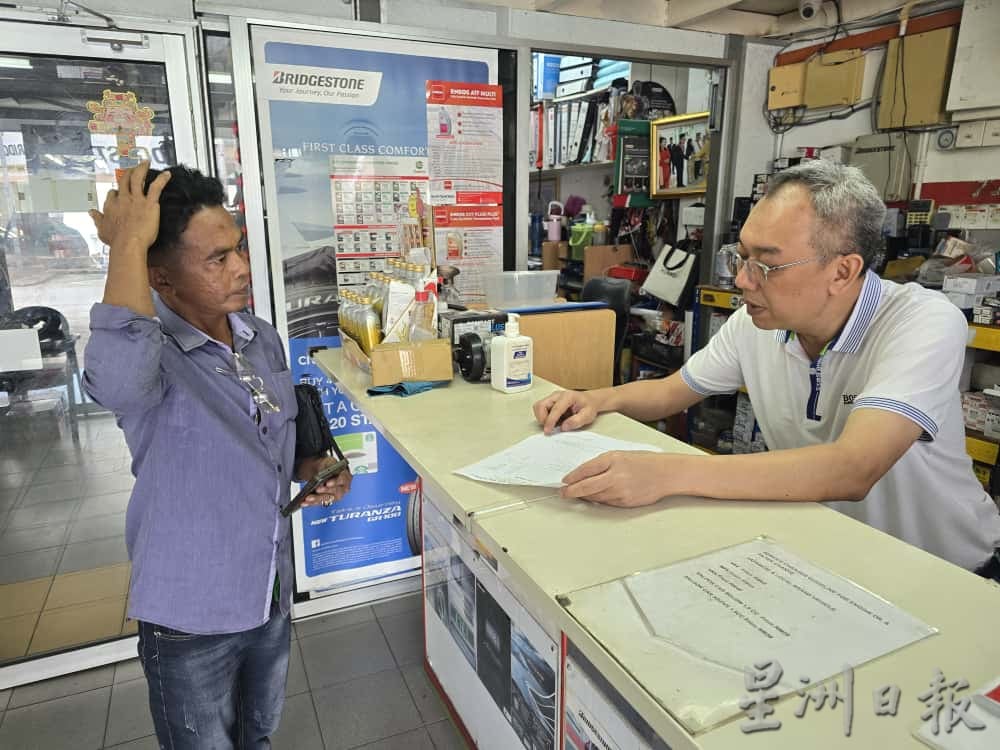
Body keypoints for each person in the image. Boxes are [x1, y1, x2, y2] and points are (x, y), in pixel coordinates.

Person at [533, 160, 1000, 577]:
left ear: (843, 271)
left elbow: (853, 468)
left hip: (948, 574)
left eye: (766, 265)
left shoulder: (922, 321)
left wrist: (664, 473)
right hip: (834, 561)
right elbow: (673, 391)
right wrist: (596, 398)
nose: (741, 280)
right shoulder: (754, 324)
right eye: (743, 258)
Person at [83, 162, 353, 748]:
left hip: (268, 589)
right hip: (193, 613)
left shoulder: (259, 336)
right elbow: (118, 380)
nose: (242, 269)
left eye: (238, 249)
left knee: (257, 735)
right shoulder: (152, 358)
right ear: (160, 277)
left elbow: (279, 436)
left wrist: (316, 467)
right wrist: (127, 241)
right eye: (217, 259)